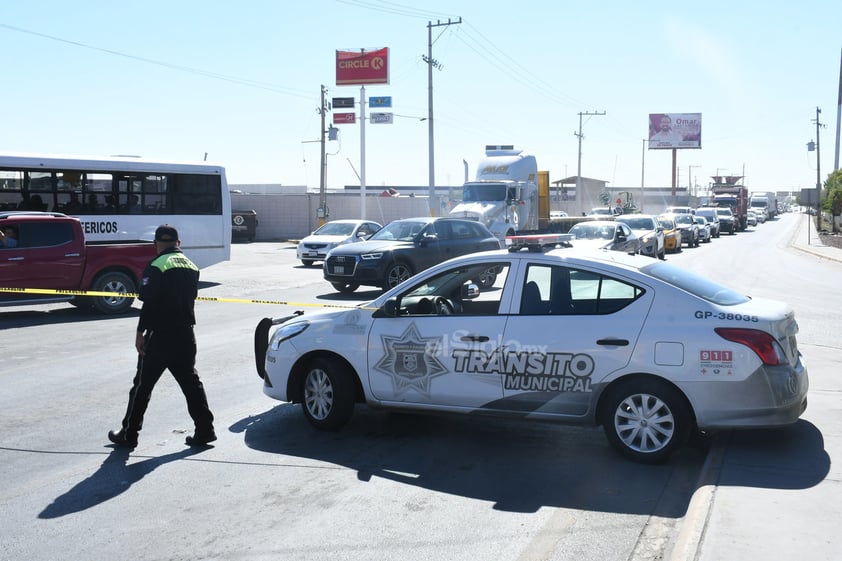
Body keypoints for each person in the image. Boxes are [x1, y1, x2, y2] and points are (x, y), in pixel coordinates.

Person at [108, 224, 216, 448]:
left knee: (141, 387)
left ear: (155, 244)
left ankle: (129, 434)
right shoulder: (191, 265)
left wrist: (140, 332)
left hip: (160, 336)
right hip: (186, 334)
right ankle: (205, 430)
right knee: (191, 384)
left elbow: (150, 303)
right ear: (178, 243)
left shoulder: (156, 265)